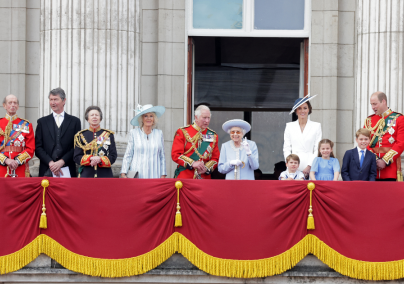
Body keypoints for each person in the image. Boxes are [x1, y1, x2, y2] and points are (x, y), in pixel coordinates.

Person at [35, 88, 81, 177]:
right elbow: (38, 147)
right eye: (51, 99)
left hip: (67, 168)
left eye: (56, 99)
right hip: (46, 169)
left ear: (64, 101)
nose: (53, 102)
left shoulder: (75, 121)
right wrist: (51, 163)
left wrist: (62, 161)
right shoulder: (42, 122)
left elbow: (77, 146)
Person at [364, 91, 404, 181]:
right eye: (371, 104)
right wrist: (374, 160)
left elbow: (401, 143)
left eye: (375, 104)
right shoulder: (369, 121)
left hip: (389, 169)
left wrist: (385, 161)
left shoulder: (399, 119)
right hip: (372, 169)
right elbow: (364, 142)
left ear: (383, 102)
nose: (372, 107)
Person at [171, 105, 220, 179]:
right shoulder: (183, 132)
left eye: (208, 118)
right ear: (196, 117)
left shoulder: (213, 135)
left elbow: (215, 158)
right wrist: (192, 163)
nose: (207, 121)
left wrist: (206, 168)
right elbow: (176, 154)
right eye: (204, 117)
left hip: (204, 178)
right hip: (185, 177)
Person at [120, 104, 167, 178]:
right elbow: (128, 154)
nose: (149, 118)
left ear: (154, 119)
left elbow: (162, 156)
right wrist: (123, 173)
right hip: (137, 175)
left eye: (151, 116)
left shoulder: (159, 133)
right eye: (146, 116)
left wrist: (163, 174)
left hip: (155, 175)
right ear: (141, 119)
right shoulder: (134, 133)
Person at [283, 94, 322, 179]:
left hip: (310, 165)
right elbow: (286, 148)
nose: (302, 111)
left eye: (305, 108)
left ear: (309, 109)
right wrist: (291, 164)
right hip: (293, 166)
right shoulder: (289, 126)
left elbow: (317, 149)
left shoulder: (316, 126)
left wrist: (309, 166)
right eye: (299, 108)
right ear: (296, 111)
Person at [73, 106, 117, 178]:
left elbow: (113, 155)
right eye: (92, 115)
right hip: (86, 175)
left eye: (97, 115)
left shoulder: (108, 135)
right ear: (88, 119)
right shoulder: (80, 135)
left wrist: (100, 159)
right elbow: (76, 157)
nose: (94, 117)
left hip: (105, 175)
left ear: (100, 118)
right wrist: (90, 158)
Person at [0, 95, 35, 177]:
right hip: (2, 167)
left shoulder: (26, 125)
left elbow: (31, 148)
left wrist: (17, 161)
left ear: (18, 106)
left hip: (20, 167)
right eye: (10, 103)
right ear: (4, 105)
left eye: (15, 103)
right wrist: (5, 160)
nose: (13, 105)